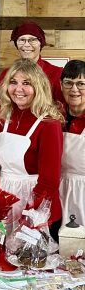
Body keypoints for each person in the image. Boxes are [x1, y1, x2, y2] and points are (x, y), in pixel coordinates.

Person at [0, 58, 64, 240]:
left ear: (38, 87)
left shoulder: (49, 123)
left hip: (33, 203)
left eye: (26, 83)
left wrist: (31, 215)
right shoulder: (5, 116)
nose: (18, 89)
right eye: (13, 82)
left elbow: (50, 180)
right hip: (4, 202)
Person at [0, 21, 64, 105]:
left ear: (41, 44)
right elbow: (0, 104)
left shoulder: (56, 73)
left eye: (32, 40)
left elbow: (61, 107)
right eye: (22, 40)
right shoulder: (6, 74)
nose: (26, 45)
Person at [58, 60, 85, 225]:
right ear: (61, 85)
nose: (74, 90)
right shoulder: (55, 116)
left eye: (81, 84)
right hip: (57, 190)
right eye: (69, 83)